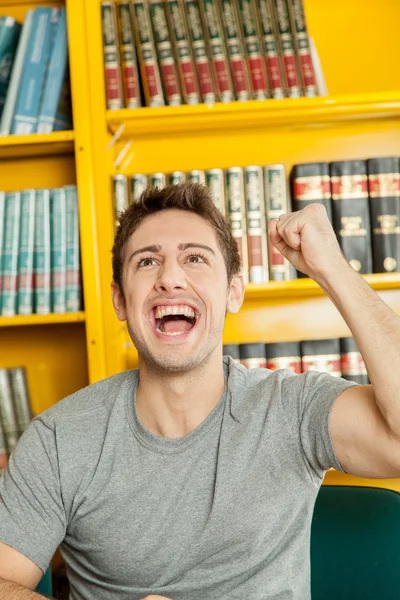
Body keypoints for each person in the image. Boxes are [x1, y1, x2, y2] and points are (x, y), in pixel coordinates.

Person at [0, 182, 400, 600]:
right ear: (119, 300)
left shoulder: (292, 408)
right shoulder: (60, 439)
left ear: (233, 292)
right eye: (147, 261)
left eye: (195, 258)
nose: (170, 278)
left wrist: (331, 268)